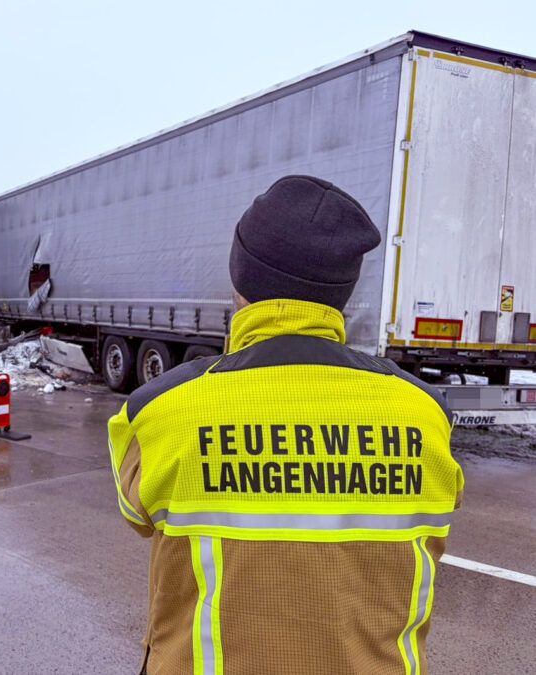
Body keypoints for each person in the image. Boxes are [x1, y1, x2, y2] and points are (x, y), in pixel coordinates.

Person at [107, 175, 464, 674]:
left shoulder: (159, 411)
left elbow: (137, 515)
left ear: (240, 277)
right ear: (341, 291)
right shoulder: (426, 415)